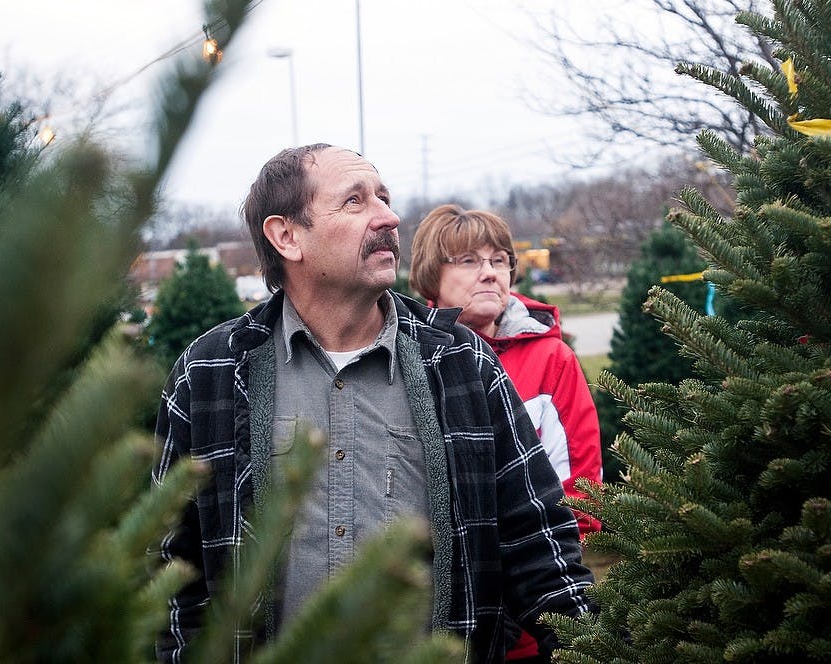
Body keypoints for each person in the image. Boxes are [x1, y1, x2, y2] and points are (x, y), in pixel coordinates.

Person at [151, 145, 595, 663]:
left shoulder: (460, 364)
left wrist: (596, 649)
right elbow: (171, 565)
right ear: (287, 236)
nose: (389, 217)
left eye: (384, 197)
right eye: (356, 201)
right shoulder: (211, 373)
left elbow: (537, 541)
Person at [409, 204, 603, 662]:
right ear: (430, 276)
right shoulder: (408, 358)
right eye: (470, 261)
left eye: (499, 261)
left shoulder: (551, 360)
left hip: (531, 618)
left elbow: (578, 488)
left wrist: (533, 590)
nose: (490, 273)